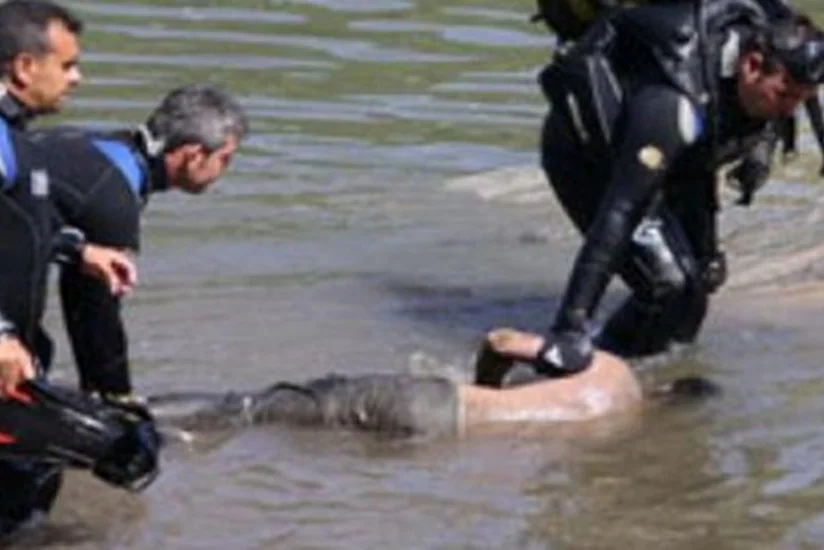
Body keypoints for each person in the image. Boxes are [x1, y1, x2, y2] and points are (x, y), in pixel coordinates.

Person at [532, 2, 824, 375]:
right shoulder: (671, 106)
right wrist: (569, 326)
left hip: (682, 156)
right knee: (665, 284)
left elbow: (782, 90)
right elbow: (618, 213)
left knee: (699, 280)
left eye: (799, 100)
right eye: (785, 97)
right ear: (750, 66)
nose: (788, 111)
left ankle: (665, 374)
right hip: (592, 161)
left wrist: (762, 146)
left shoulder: (772, 46)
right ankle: (593, 367)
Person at [0, 0, 141, 537]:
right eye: (68, 65)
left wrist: (76, 250)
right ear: (23, 67)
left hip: (15, 361)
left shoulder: (18, 138)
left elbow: (16, 227)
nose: (77, 79)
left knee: (28, 495)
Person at [26, 83, 248, 402]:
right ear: (194, 156)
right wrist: (117, 401)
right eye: (225, 159)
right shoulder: (114, 198)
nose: (225, 170)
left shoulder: (102, 146)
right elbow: (93, 320)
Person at [144, 328, 716, 438]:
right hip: (443, 443)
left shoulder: (613, 372)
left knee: (253, 409)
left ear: (662, 385)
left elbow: (500, 341)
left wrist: (486, 380)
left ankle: (130, 411)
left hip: (437, 402)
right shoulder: (615, 428)